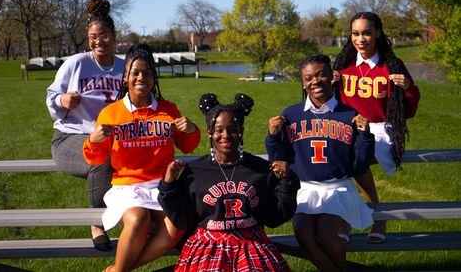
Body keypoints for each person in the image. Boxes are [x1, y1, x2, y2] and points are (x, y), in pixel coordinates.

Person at [82, 43, 201, 272]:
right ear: (125, 77)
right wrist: (93, 141)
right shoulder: (111, 113)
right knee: (138, 219)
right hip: (128, 186)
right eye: (135, 72)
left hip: (162, 186)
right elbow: (95, 159)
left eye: (147, 72)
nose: (141, 77)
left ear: (154, 78)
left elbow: (187, 146)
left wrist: (192, 130)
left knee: (175, 228)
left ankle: (118, 270)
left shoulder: (168, 110)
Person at [158, 93, 300, 272]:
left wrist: (287, 180)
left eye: (233, 129)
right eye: (219, 130)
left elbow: (275, 215)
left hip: (251, 243)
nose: (226, 135)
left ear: (241, 130)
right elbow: (184, 220)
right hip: (207, 246)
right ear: (209, 132)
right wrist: (169, 184)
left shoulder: (260, 169)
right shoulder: (194, 172)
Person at [266, 54, 374, 271]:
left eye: (321, 75)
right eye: (308, 78)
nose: (315, 81)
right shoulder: (291, 114)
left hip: (338, 188)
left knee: (325, 234)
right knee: (304, 235)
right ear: (303, 83)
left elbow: (360, 165)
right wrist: (273, 136)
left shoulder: (349, 115)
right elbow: (278, 158)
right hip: (304, 188)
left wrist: (365, 135)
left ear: (332, 76)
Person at [333, 11, 420, 244]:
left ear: (378, 33)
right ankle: (368, 215)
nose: (360, 39)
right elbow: (327, 104)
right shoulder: (343, 66)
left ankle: (367, 216)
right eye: (355, 34)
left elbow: (408, 111)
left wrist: (409, 87)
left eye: (367, 33)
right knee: (336, 153)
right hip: (349, 130)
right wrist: (327, 83)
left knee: (355, 154)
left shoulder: (391, 65)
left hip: (382, 130)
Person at [46, 0, 125, 251]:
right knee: (101, 158)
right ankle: (97, 222)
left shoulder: (124, 67)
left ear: (113, 36)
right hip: (70, 137)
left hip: (113, 139)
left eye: (103, 35)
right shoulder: (77, 63)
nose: (98, 41)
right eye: (92, 37)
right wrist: (63, 99)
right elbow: (51, 98)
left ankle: (146, 220)